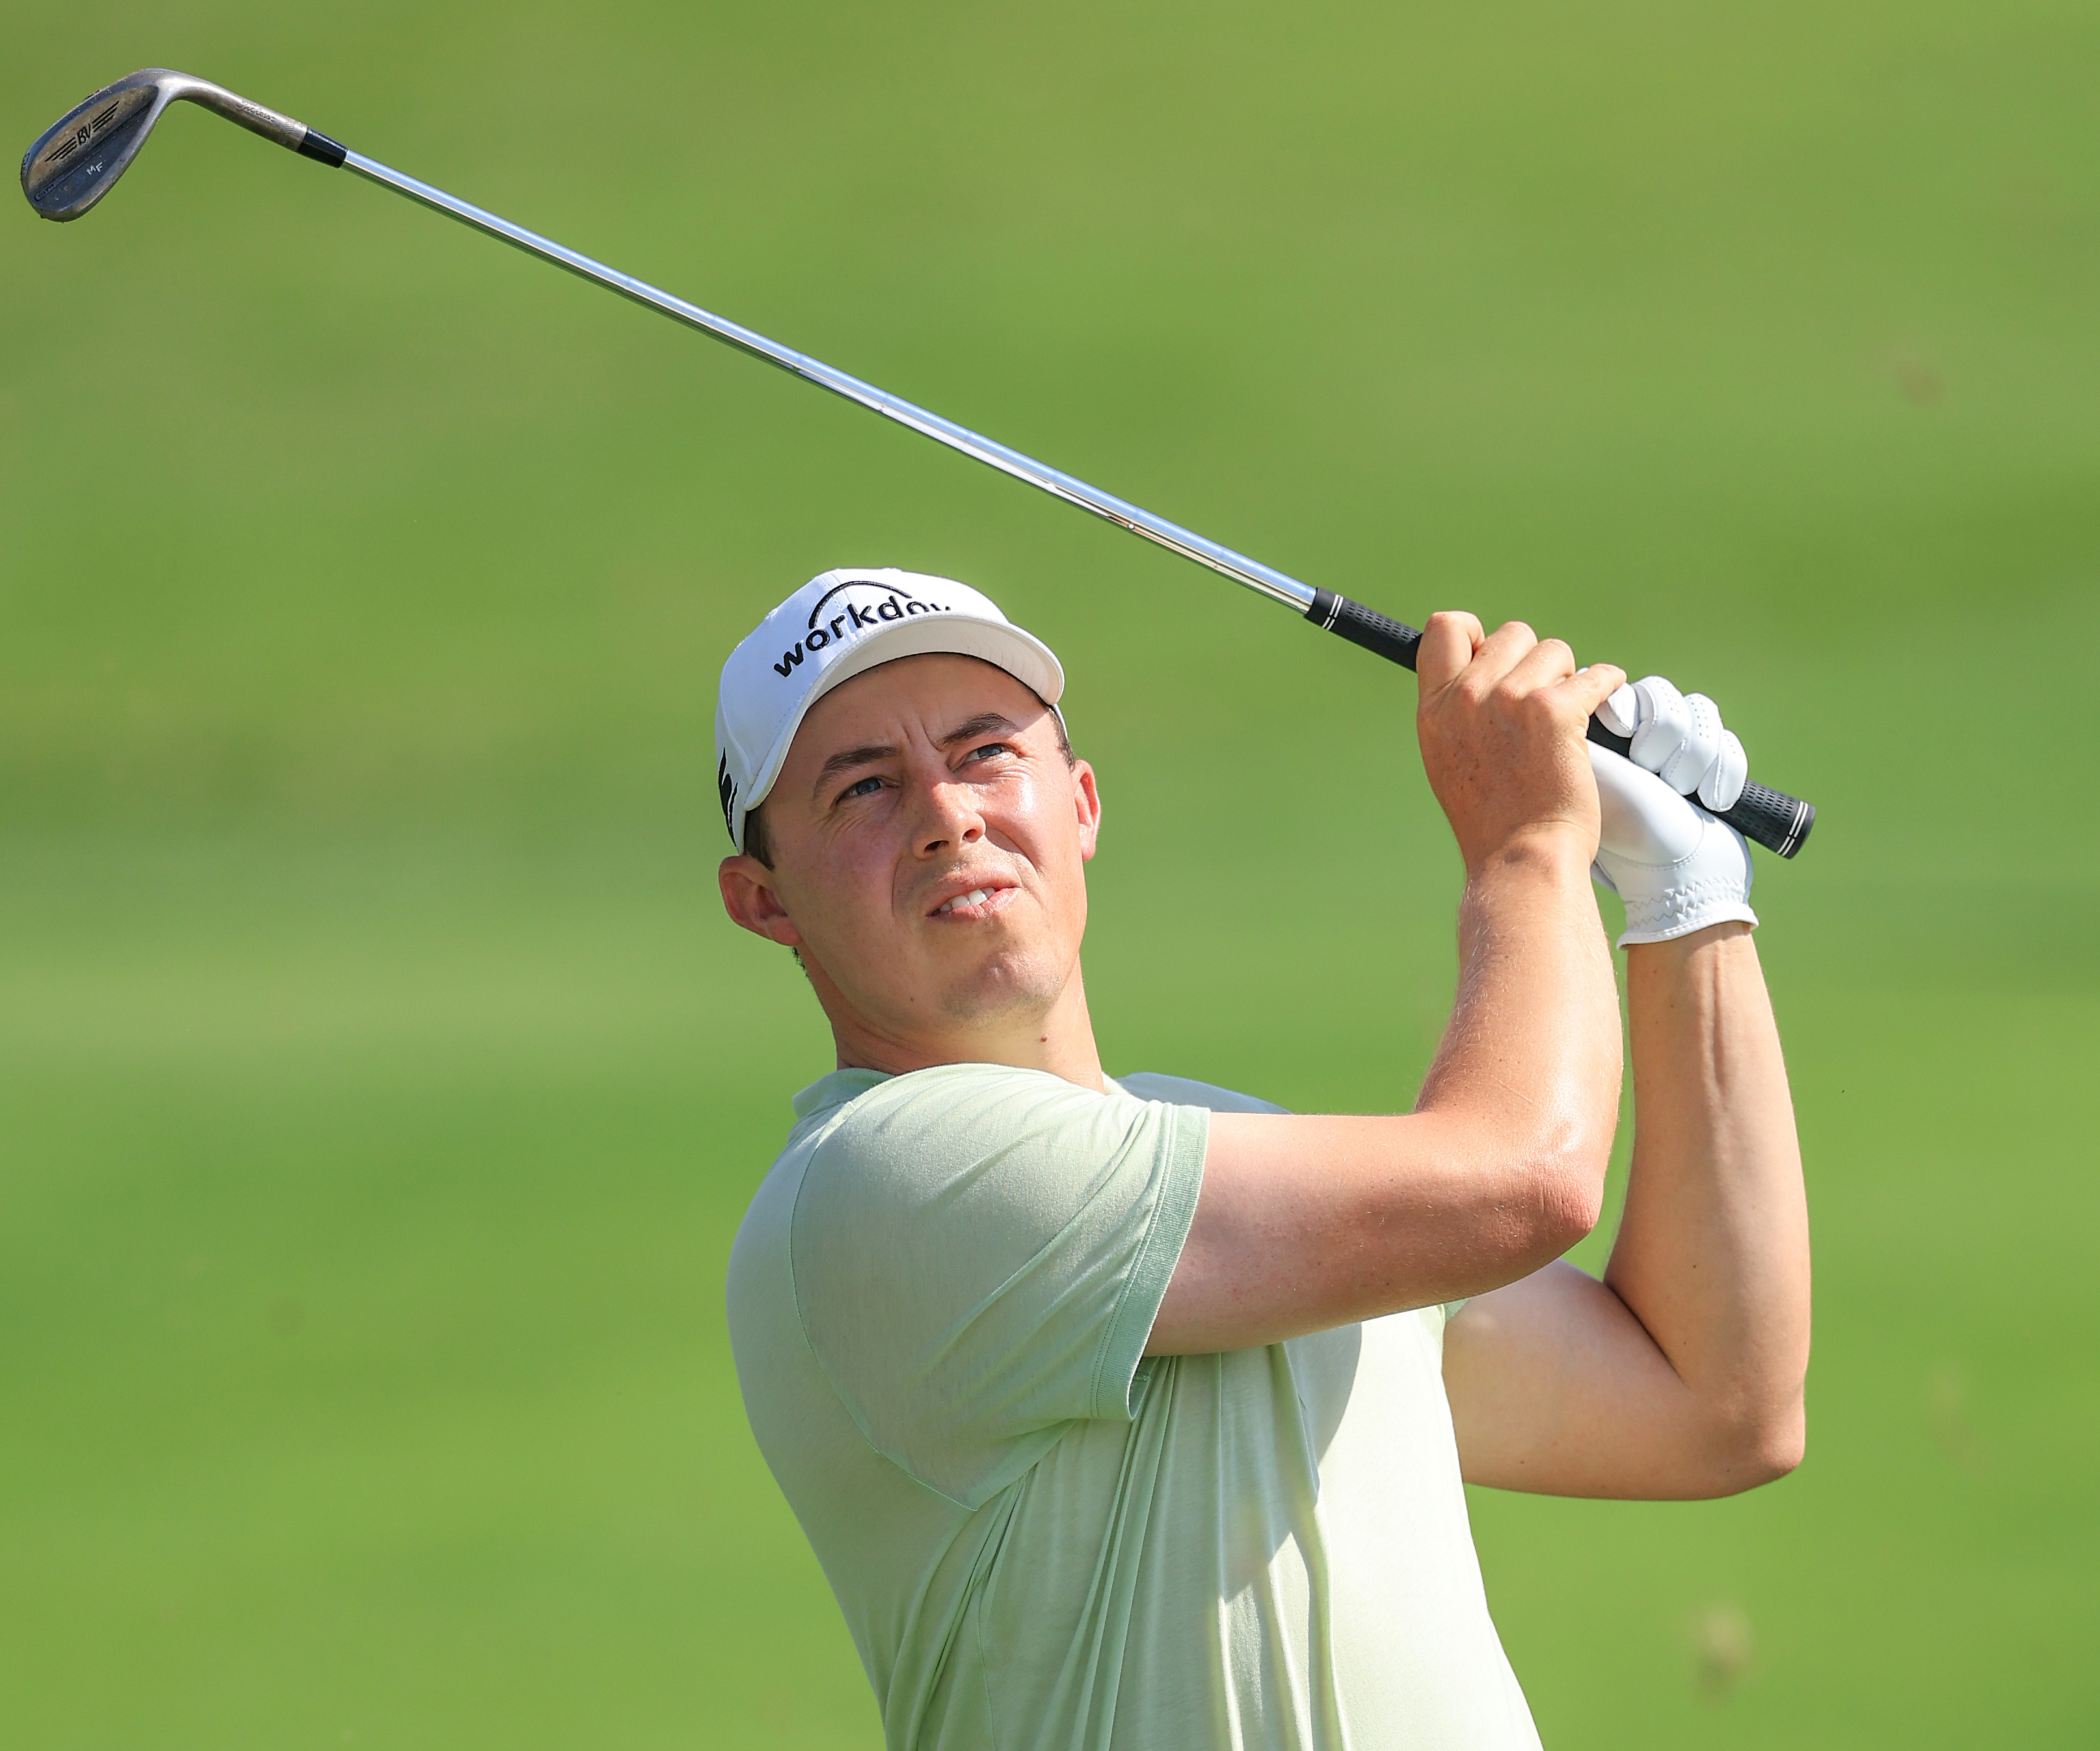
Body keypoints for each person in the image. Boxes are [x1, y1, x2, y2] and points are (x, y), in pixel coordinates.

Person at [716, 566, 1807, 1749]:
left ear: (1080, 803)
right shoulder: (880, 1180)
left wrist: (1687, 901)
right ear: (763, 901)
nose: (947, 811)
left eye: (986, 752)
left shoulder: (1226, 1158)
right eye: (865, 787)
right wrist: (1532, 843)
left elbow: (1712, 1401)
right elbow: (1520, 1179)